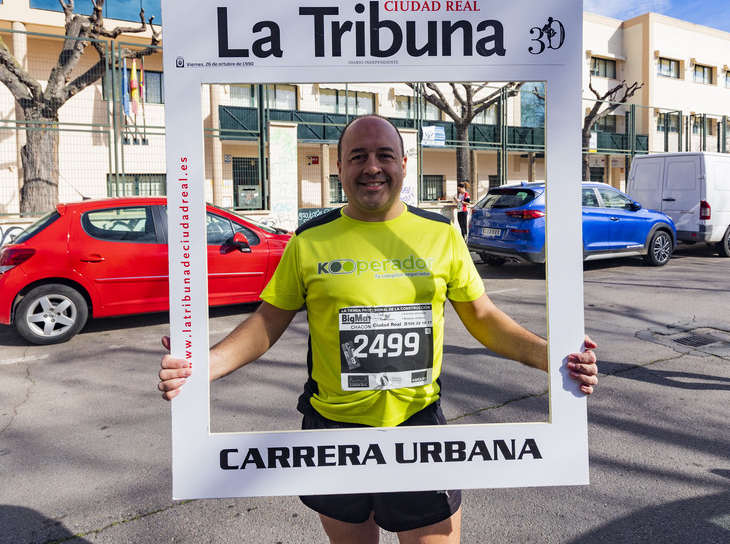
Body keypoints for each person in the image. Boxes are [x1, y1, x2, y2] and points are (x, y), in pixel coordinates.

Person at [159, 114, 599, 543]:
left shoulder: (440, 233)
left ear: (404, 165)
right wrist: (202, 366)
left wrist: (556, 358)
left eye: (385, 155)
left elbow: (482, 318)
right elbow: (267, 322)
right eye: (358, 156)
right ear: (339, 167)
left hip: (416, 428)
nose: (372, 167)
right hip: (331, 431)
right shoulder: (309, 240)